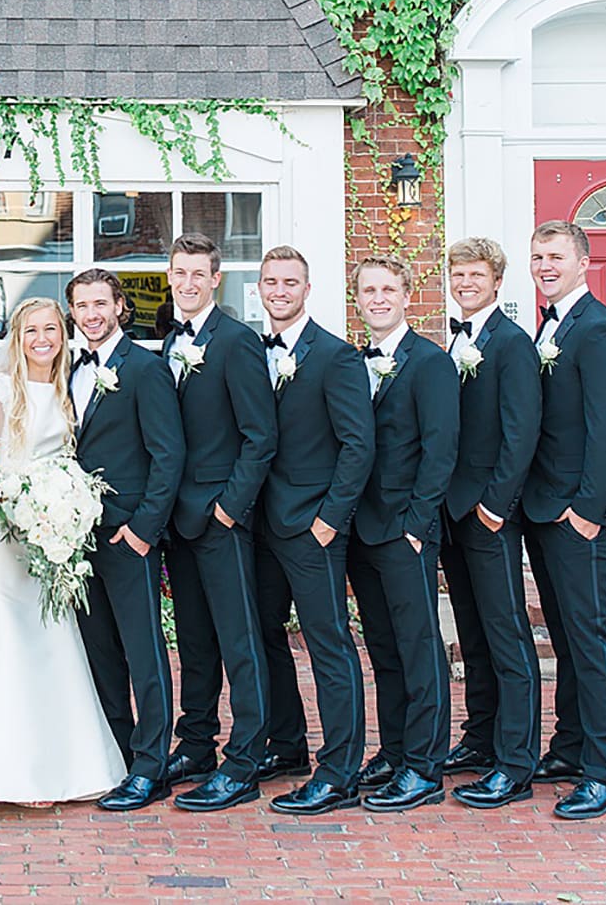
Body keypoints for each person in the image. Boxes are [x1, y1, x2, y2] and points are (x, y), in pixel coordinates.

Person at [0, 297, 129, 811]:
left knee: (52, 634)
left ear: (63, 334)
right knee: (9, 632)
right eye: (31, 330)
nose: (42, 339)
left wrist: (64, 509)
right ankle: (6, 770)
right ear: (17, 337)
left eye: (51, 329)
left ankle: (59, 766)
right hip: (7, 534)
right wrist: (19, 509)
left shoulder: (65, 388)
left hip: (53, 534)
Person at [250, 246, 374, 816]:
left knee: (328, 644)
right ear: (260, 287)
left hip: (312, 528)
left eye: (290, 282)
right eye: (271, 281)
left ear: (307, 288)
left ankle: (340, 771)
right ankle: (287, 744)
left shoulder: (335, 356)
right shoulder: (254, 352)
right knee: (265, 634)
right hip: (262, 525)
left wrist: (330, 520)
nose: (279, 291)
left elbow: (358, 445)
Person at [160, 234, 278, 815]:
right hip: (178, 520)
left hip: (221, 518)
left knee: (240, 642)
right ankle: (197, 745)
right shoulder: (170, 340)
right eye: (178, 273)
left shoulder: (236, 341)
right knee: (195, 641)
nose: (187, 283)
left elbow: (261, 436)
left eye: (197, 274)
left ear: (215, 280)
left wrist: (230, 508)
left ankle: (245, 761)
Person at [522, 221, 606, 820]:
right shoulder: (550, 325)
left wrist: (589, 511)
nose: (545, 265)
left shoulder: (599, 330)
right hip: (545, 507)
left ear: (584, 262)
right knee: (565, 637)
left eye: (556, 256)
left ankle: (605, 771)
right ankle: (569, 747)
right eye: (537, 256)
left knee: (593, 639)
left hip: (581, 514)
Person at [65, 268, 186, 813]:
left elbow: (168, 454)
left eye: (100, 304)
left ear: (119, 306)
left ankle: (151, 766)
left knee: (144, 653)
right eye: (81, 306)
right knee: (101, 654)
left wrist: (142, 530)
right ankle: (118, 754)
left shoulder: (145, 368)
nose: (91, 314)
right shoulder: (70, 370)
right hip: (75, 538)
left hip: (127, 534)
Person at [344, 256, 459, 813]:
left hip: (405, 529)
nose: (378, 298)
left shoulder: (430, 362)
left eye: (388, 289)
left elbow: (441, 450)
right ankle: (393, 752)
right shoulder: (352, 362)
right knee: (384, 649)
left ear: (408, 296)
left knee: (419, 649)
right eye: (369, 290)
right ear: (357, 299)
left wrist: (417, 524)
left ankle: (424, 767)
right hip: (361, 528)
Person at [438, 239, 542, 811]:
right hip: (453, 512)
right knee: (473, 634)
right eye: (458, 274)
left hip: (489, 513)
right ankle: (480, 738)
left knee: (506, 636)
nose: (466, 283)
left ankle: (516, 762)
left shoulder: (511, 343)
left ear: (497, 281)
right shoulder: (456, 340)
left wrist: (496, 506)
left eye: (476, 275)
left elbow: (521, 431)